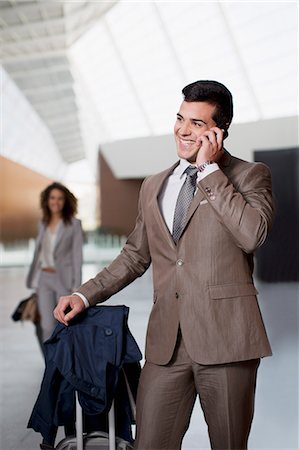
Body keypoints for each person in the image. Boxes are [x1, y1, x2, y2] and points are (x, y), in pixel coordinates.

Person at [54, 80, 274, 450]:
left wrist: (210, 173)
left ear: (219, 132)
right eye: (179, 118)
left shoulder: (250, 176)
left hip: (228, 341)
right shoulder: (154, 184)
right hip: (166, 345)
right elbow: (135, 255)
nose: (183, 130)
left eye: (197, 124)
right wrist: (84, 294)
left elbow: (252, 235)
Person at [27, 182, 83, 348]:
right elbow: (39, 254)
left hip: (63, 280)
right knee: (46, 326)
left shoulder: (74, 224)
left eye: (60, 198)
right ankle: (51, 365)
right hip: (44, 278)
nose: (56, 202)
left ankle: (67, 362)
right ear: (47, 200)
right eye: (52, 198)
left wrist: (76, 287)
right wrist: (34, 282)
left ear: (66, 201)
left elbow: (77, 256)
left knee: (65, 323)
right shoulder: (42, 224)